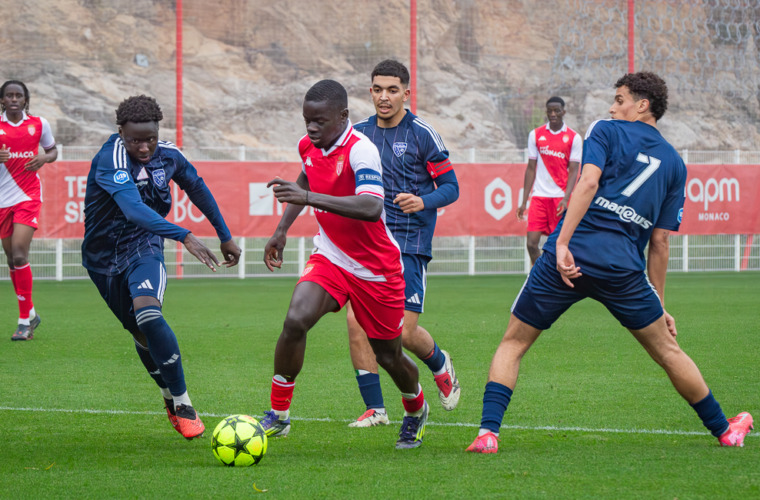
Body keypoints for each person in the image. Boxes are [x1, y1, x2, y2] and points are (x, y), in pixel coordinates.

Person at [467, 72, 753, 453]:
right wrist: (660, 304)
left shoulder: (604, 129)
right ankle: (724, 430)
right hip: (623, 270)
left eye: (619, 100)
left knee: (514, 342)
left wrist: (562, 243)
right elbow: (660, 242)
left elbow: (587, 183)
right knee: (668, 352)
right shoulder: (675, 163)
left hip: (569, 258)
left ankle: (488, 434)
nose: (612, 107)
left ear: (643, 105)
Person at [261, 79, 430, 449]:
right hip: (332, 256)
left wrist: (308, 197)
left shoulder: (361, 150)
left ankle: (416, 409)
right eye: (307, 120)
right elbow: (307, 176)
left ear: (343, 116)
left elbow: (371, 206)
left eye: (319, 121)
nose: (311, 128)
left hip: (376, 270)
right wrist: (282, 229)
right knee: (295, 319)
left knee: (388, 356)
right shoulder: (308, 145)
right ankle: (279, 415)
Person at [82, 95, 240, 440]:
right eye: (135, 140)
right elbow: (133, 209)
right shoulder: (111, 158)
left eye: (150, 139)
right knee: (139, 333)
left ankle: (182, 402)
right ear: (121, 133)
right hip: (102, 257)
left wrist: (224, 235)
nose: (144, 147)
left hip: (144, 245)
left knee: (149, 315)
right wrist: (185, 235)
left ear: (158, 132)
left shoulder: (169, 155)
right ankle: (168, 395)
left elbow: (197, 187)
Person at [345, 59, 460, 428]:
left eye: (392, 90)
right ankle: (375, 409)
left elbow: (451, 187)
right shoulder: (358, 134)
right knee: (356, 322)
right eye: (378, 89)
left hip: (409, 244)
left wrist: (423, 201)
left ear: (406, 94)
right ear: (370, 92)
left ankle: (440, 364)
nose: (384, 97)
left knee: (402, 332)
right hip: (369, 244)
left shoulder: (422, 134)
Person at [0, 80, 58, 340]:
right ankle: (31, 313)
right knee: (11, 259)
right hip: (2, 200)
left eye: (18, 95)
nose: (14, 99)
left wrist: (44, 158)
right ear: (2, 100)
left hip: (28, 196)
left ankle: (24, 322)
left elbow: (52, 151)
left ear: (25, 99)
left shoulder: (39, 123)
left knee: (19, 254)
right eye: (9, 95)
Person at [517, 96, 581, 266]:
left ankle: (557, 276)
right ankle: (539, 274)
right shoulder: (535, 135)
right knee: (531, 244)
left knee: (559, 245)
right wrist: (523, 201)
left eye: (556, 111)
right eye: (549, 111)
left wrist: (566, 198)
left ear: (563, 112)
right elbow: (531, 168)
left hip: (560, 198)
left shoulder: (573, 137)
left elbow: (574, 170)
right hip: (539, 197)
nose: (553, 114)